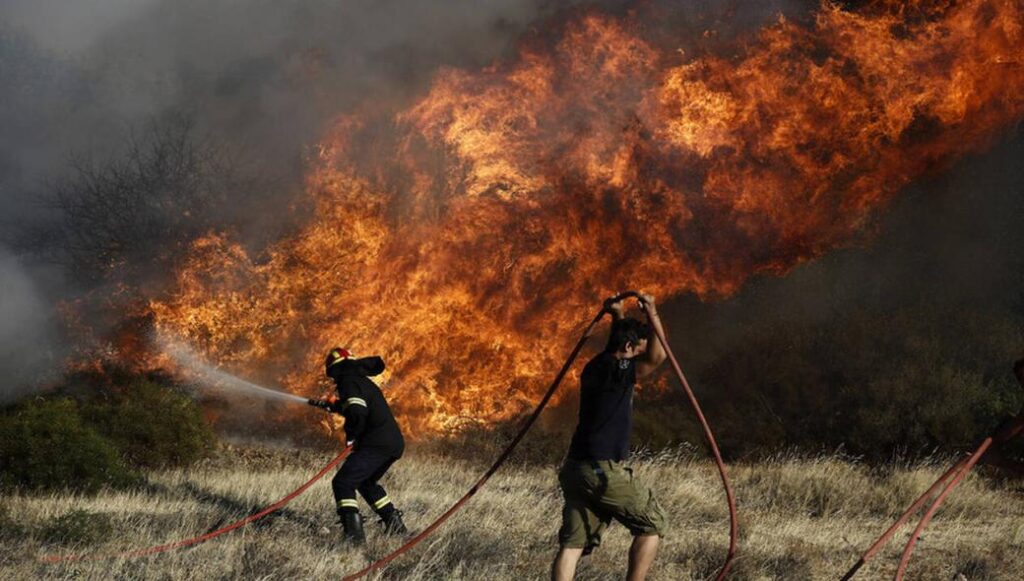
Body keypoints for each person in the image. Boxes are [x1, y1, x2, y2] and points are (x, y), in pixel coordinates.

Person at [551, 293, 669, 581]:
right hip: (601, 469)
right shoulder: (620, 370)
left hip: (575, 468)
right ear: (628, 348)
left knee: (572, 544)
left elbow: (617, 345)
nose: (641, 357)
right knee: (653, 523)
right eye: (638, 350)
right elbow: (659, 356)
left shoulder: (596, 365)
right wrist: (652, 312)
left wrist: (618, 314)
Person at [321, 347, 407, 544]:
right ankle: (395, 526)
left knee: (343, 483)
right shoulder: (360, 381)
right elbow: (356, 407)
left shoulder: (348, 381)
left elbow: (357, 412)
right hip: (392, 443)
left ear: (336, 369)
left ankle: (354, 539)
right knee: (366, 483)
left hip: (376, 443)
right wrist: (336, 406)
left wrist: (353, 436)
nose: (334, 379)